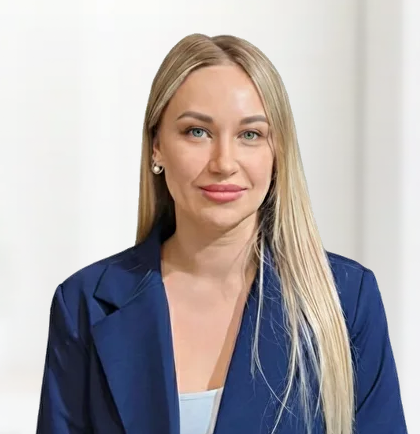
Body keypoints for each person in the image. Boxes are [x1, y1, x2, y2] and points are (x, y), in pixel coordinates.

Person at [36, 33, 407, 434]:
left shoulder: (346, 299)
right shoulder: (84, 304)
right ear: (157, 146)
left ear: (277, 153)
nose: (224, 163)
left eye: (250, 135)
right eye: (197, 132)